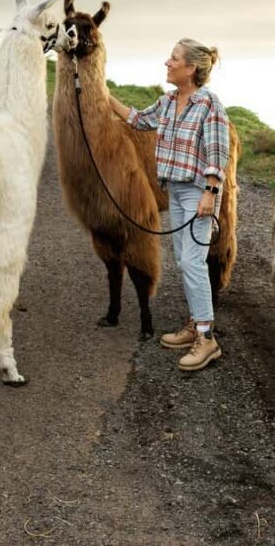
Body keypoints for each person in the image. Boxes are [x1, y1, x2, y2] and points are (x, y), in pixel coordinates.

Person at [108, 38, 230, 371]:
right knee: (184, 259)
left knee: (192, 262)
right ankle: (195, 325)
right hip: (175, 191)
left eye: (174, 59)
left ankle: (207, 340)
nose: (167, 62)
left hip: (196, 193)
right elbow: (137, 120)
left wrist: (210, 192)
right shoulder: (168, 101)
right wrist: (101, 94)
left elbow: (218, 153)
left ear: (190, 68)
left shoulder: (209, 105)